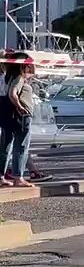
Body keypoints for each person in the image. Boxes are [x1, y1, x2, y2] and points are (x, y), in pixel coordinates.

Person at [0, 53, 37, 187]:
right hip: (22, 116)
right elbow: (12, 94)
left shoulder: (8, 77)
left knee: (6, 146)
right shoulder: (19, 78)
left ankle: (2, 175)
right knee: (21, 146)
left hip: (9, 114)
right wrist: (21, 107)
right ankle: (18, 177)